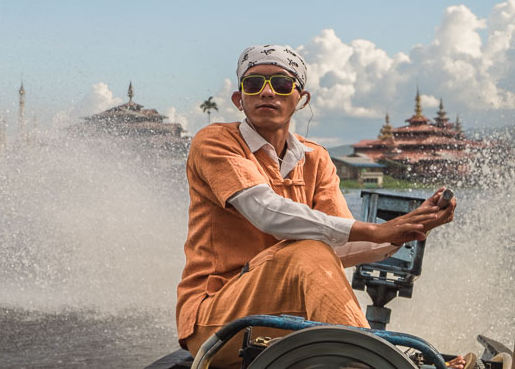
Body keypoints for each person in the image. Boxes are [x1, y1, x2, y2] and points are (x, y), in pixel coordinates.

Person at [176, 44, 458, 368]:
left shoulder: (317, 158)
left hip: (284, 320)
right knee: (308, 250)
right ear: (240, 100)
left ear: (301, 98)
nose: (267, 93)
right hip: (216, 320)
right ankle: (379, 363)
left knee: (315, 251)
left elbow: (339, 246)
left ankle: (377, 360)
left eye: (281, 84)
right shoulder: (215, 141)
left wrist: (406, 230)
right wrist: (376, 230)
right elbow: (266, 211)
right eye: (254, 84)